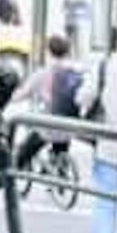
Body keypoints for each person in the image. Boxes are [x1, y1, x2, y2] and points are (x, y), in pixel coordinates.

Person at [7, 34, 83, 172]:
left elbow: (22, 94)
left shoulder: (43, 73)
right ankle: (60, 173)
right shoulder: (75, 71)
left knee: (25, 150)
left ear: (48, 51)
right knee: (60, 146)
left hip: (49, 126)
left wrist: (9, 97)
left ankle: (13, 174)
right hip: (71, 126)